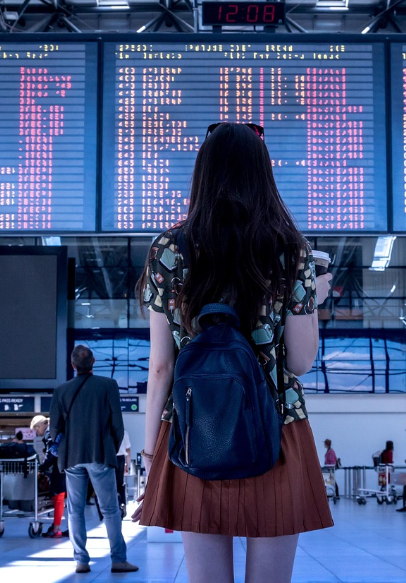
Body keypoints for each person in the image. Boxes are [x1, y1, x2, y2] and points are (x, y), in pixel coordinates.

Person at [132, 122, 334, 583]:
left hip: (193, 429)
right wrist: (310, 301)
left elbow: (161, 365)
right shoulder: (291, 251)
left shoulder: (169, 249)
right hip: (276, 430)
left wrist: (149, 451)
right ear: (263, 175)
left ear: (202, 174)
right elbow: (300, 362)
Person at [49, 345, 137, 575]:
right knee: (110, 509)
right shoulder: (108, 386)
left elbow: (54, 429)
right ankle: (118, 559)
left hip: (71, 457)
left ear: (72, 365)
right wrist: (111, 448)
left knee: (75, 510)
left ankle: (81, 561)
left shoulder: (61, 390)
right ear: (94, 361)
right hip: (100, 454)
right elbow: (118, 425)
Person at [31, 415, 67, 538]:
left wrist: (42, 467)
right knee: (64, 498)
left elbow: (52, 451)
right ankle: (61, 526)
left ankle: (56, 528)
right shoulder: (58, 428)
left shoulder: (49, 432)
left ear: (40, 425)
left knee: (58, 497)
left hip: (58, 468)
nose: (37, 432)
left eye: (36, 429)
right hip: (67, 465)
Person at [115, 429, 131, 517]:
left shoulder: (106, 430)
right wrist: (127, 466)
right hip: (120, 459)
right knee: (120, 483)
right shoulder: (124, 432)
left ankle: (112, 506)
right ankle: (122, 504)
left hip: (109, 458)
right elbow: (128, 450)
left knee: (109, 484)